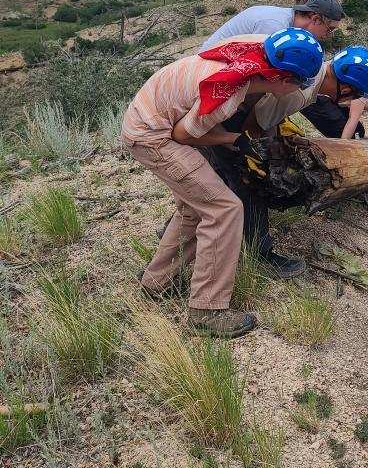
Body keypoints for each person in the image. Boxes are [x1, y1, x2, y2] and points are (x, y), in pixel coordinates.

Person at [121, 28, 324, 338]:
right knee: (224, 208)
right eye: (302, 84)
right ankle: (206, 311)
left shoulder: (257, 49)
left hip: (148, 115)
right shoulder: (226, 92)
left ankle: (157, 282)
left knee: (195, 207)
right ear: (283, 80)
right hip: (152, 136)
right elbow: (183, 135)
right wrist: (234, 139)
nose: (302, 89)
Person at [214, 46, 368, 259]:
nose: (353, 100)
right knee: (251, 183)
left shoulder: (313, 74)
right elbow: (252, 126)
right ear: (346, 88)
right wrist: (262, 155)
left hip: (229, 108)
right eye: (356, 95)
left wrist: (275, 139)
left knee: (221, 179)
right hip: (223, 116)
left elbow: (268, 116)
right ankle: (260, 254)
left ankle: (205, 224)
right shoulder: (300, 92)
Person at [200, 0, 344, 50]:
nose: (328, 35)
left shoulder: (286, 21)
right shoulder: (274, 26)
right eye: (330, 29)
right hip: (208, 66)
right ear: (316, 19)